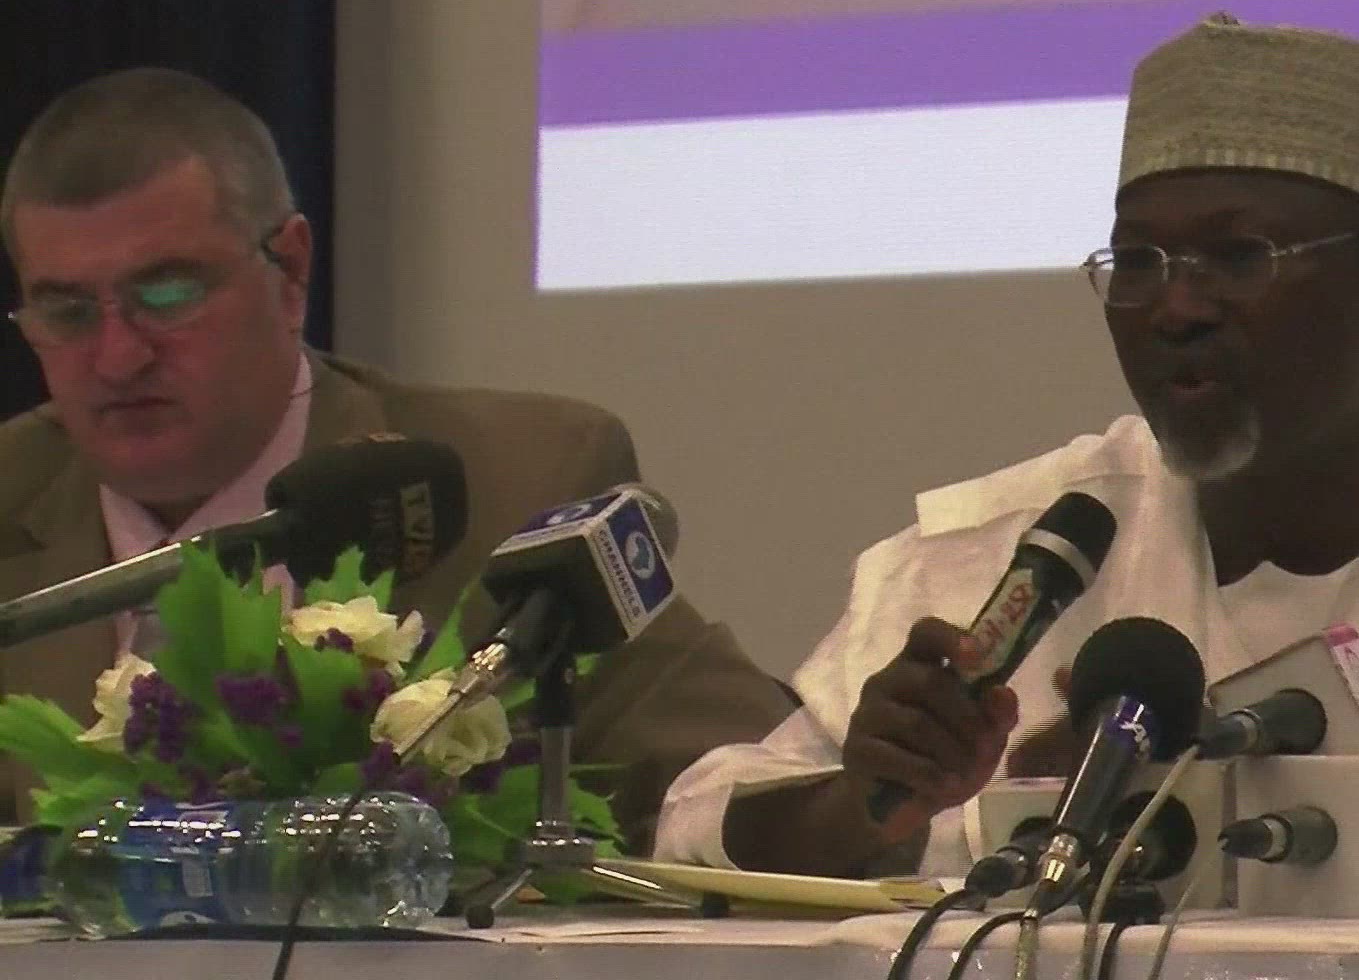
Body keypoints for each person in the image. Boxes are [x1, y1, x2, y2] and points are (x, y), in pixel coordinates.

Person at [655, 14, 1359, 877]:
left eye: (1237, 259)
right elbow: (702, 824)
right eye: (1136, 265)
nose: (1175, 309)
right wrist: (871, 804)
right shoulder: (1019, 547)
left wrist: (1224, 792)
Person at [0, 67, 796, 846]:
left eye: (169, 295)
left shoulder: (517, 482)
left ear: (291, 271)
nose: (117, 358)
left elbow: (752, 780)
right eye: (67, 312)